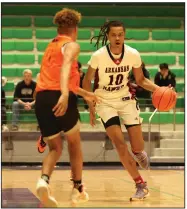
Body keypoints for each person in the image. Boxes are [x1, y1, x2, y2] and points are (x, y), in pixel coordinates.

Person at [83, 20, 161, 201]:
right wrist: (91, 105)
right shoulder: (98, 56)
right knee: (119, 144)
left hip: (126, 100)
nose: (117, 38)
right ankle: (140, 184)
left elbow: (140, 80)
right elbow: (86, 82)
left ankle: (140, 153)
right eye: (113, 35)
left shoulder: (133, 54)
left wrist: (159, 90)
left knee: (137, 147)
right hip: (104, 102)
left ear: (124, 35)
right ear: (108, 36)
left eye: (120, 34)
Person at [35, 8, 99, 207]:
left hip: (42, 98)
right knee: (74, 142)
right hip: (59, 96)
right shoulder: (71, 45)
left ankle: (43, 180)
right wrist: (64, 94)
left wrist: (87, 94)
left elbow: (64, 80)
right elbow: (65, 70)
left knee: (55, 147)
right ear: (75, 28)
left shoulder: (50, 47)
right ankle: (77, 188)